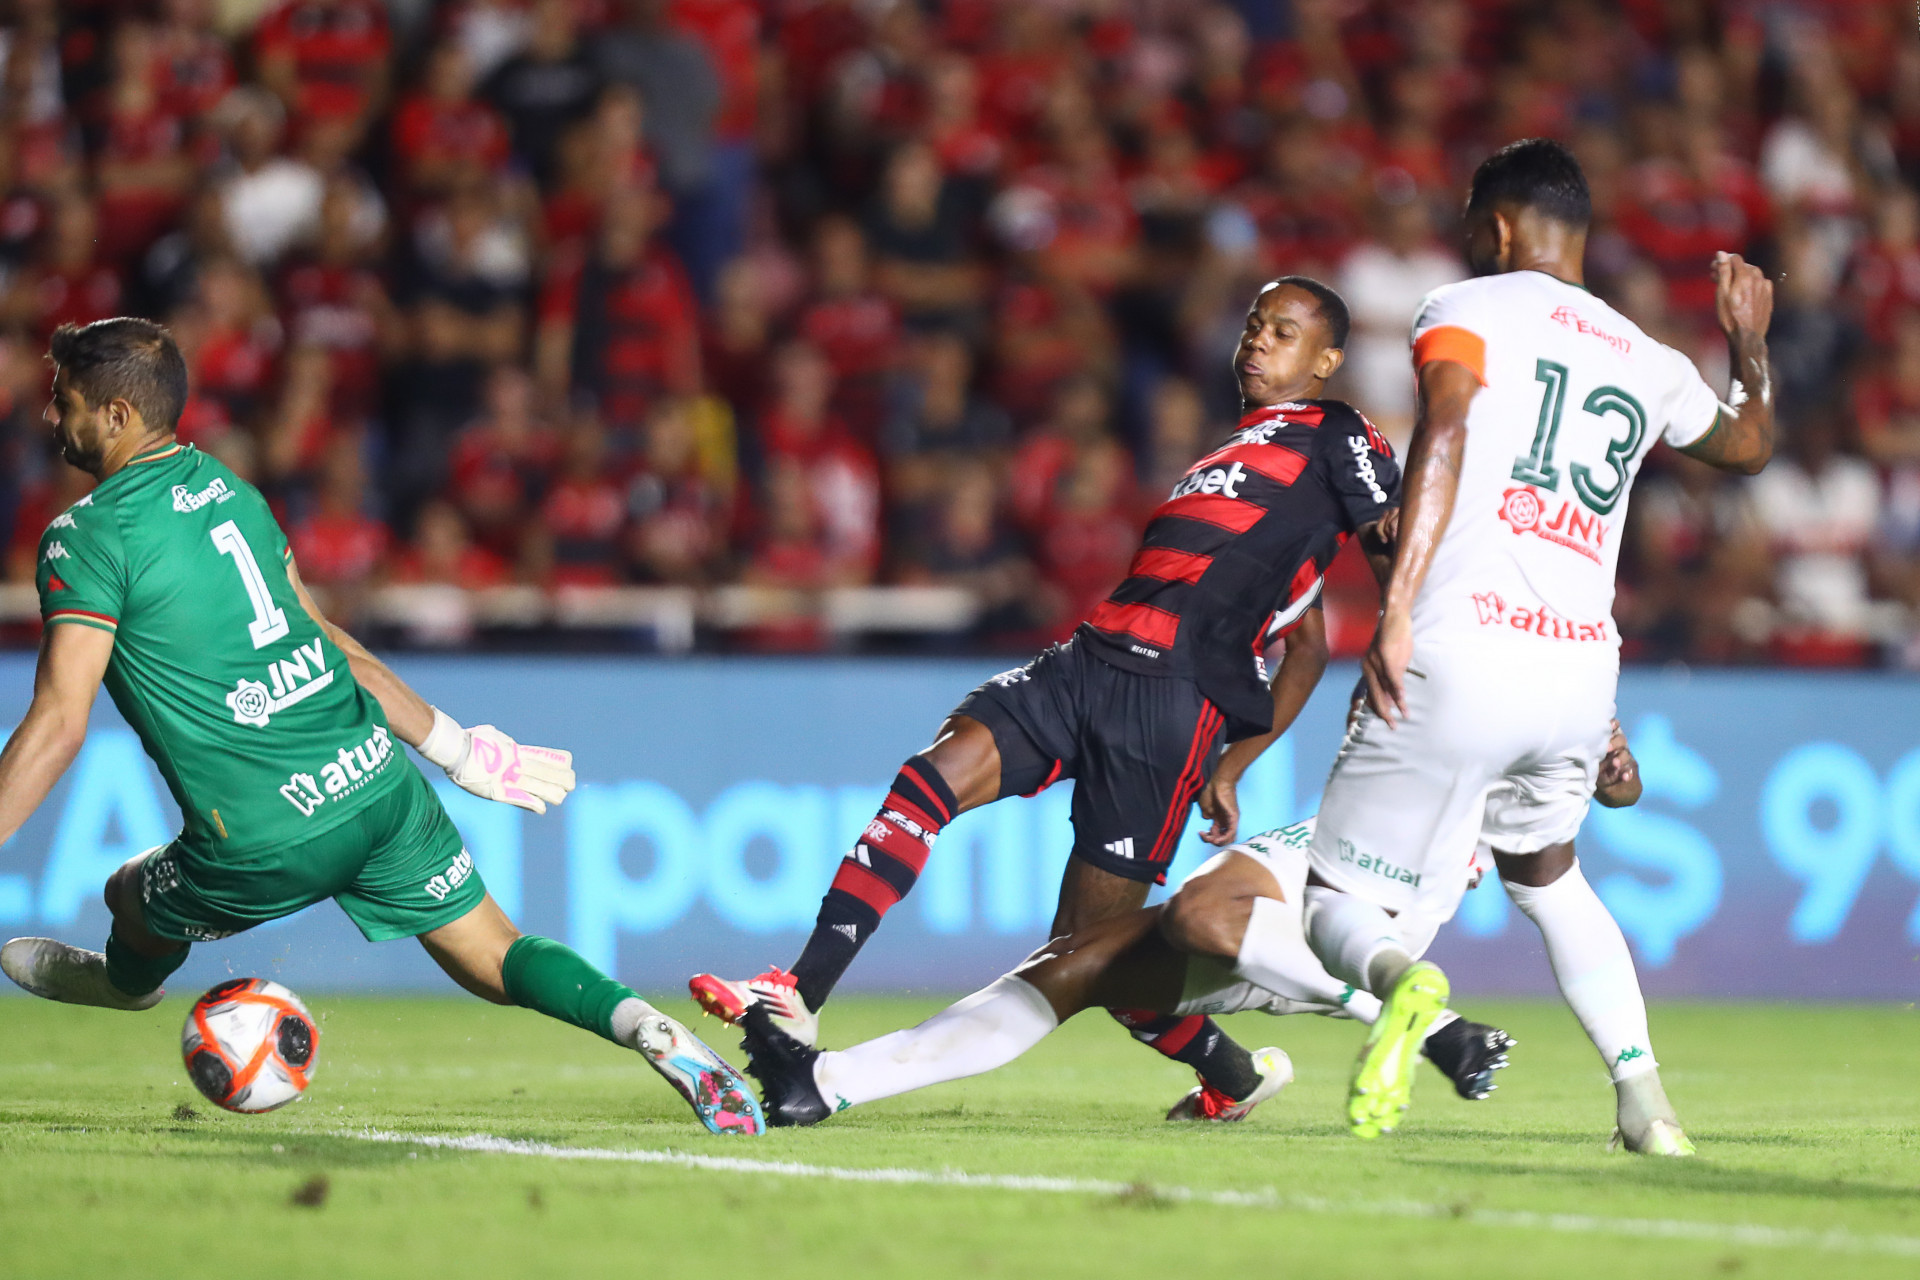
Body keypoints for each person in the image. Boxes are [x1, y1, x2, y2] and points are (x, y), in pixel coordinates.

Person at [0, 318, 762, 1137]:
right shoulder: (231, 490)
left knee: (127, 892)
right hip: (374, 781)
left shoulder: (83, 537)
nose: (50, 420)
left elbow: (61, 719)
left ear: (116, 416)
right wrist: (458, 751)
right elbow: (328, 642)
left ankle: (126, 984)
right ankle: (650, 1029)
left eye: (64, 402)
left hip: (260, 839)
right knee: (497, 957)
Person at [693, 276, 1404, 1122]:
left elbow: (1370, 575)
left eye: (1283, 333)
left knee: (1085, 957)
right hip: (1084, 663)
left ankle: (1234, 1076)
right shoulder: (1241, 458)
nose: (1256, 343)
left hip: (1169, 710)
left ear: (1326, 360)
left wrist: (1243, 753)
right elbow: (1300, 620)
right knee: (930, 777)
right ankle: (799, 994)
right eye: (1254, 326)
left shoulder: (1340, 431)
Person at [1305, 139, 1775, 1151]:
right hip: (1578, 670)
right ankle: (1646, 1102)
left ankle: (1405, 986)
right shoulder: (1647, 358)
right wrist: (1749, 343)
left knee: (1334, 903)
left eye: (1473, 223)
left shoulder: (1464, 307)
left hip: (1463, 645)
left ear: (1500, 226)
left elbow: (1446, 433)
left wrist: (1396, 605)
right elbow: (1748, 444)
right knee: (1547, 873)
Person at [734, 722, 1643, 1129]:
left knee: (1201, 914)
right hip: (1319, 858)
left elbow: (1610, 783)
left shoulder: (1528, 702)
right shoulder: (1462, 633)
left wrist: (1600, 756)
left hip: (1365, 884)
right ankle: (826, 1084)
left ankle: (1428, 1021)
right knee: (1068, 969)